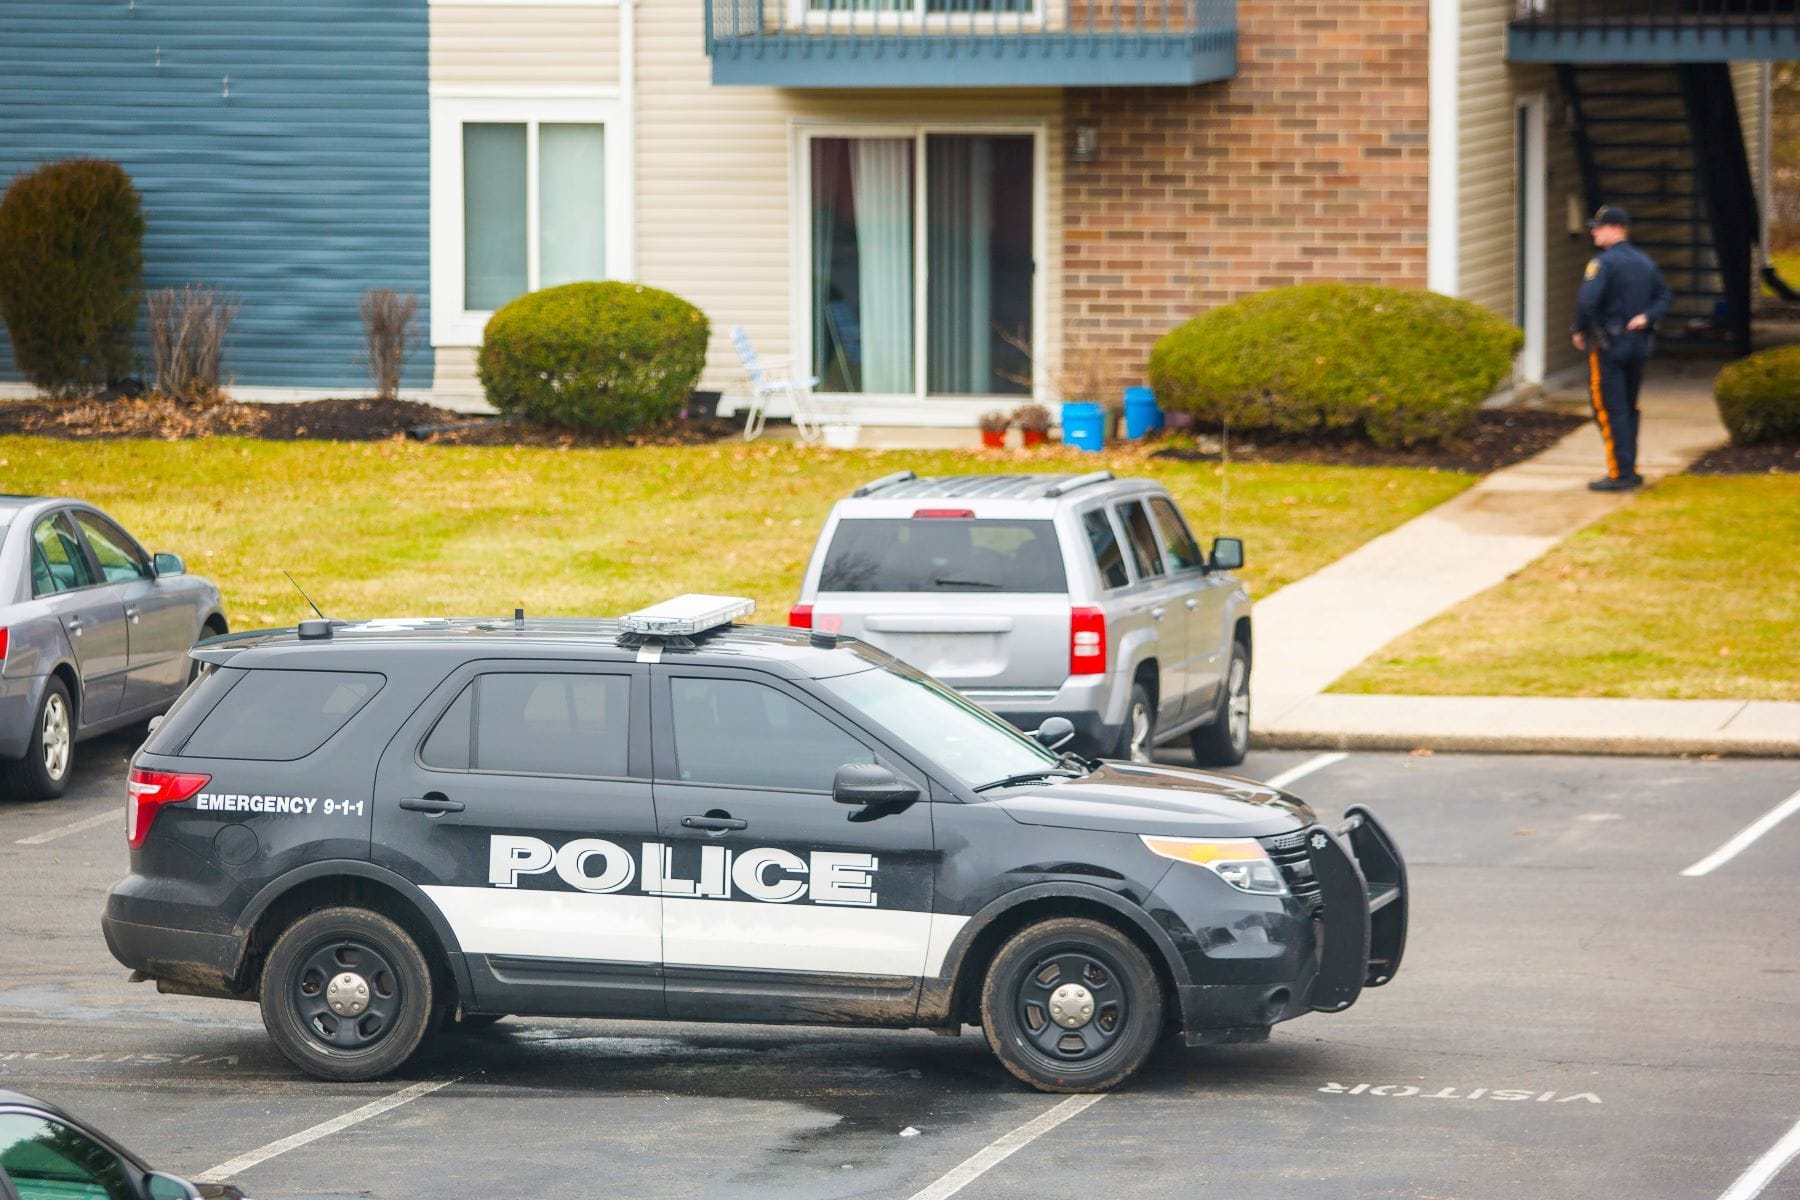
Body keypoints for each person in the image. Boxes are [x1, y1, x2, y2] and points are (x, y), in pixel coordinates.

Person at [1571, 205, 1671, 492]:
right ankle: (1630, 467)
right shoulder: (1644, 261)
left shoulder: (1603, 263)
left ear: (1615, 229)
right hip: (1638, 344)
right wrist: (1648, 316)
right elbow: (1664, 295)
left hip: (1609, 345)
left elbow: (1586, 302)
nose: (1593, 232)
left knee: (1608, 408)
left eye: (1598, 227)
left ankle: (1620, 473)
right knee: (1628, 407)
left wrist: (1579, 330)